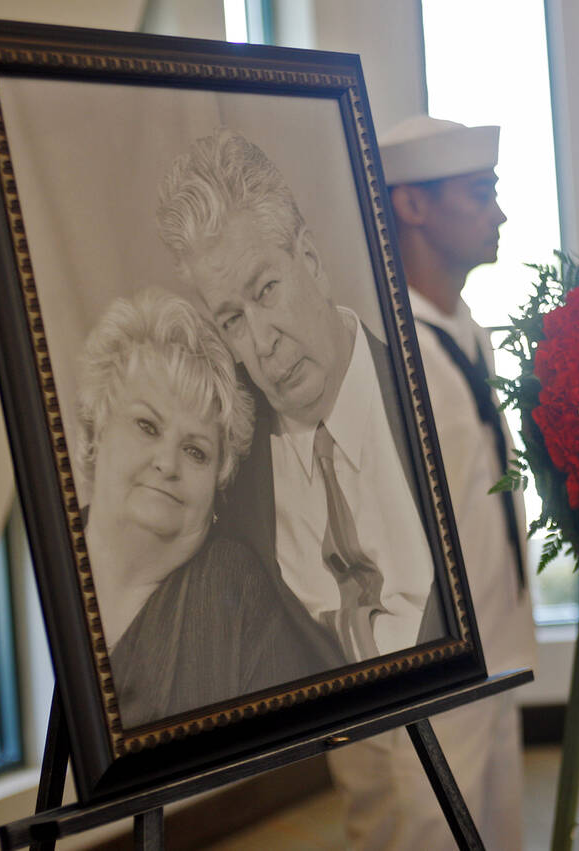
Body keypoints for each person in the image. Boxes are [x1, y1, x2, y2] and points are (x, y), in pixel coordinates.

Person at [308, 115, 537, 850]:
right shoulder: (371, 347)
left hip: (490, 652)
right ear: (410, 205)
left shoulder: (461, 327)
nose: (498, 214)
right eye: (480, 193)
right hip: (414, 677)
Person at [156, 128, 445, 668]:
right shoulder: (228, 469)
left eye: (266, 290)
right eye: (232, 320)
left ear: (310, 260)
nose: (262, 343)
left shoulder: (428, 392)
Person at [75, 288, 338, 728]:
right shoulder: (44, 566)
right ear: (95, 432)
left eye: (196, 451)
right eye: (147, 426)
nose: (167, 463)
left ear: (218, 486)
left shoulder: (233, 593)